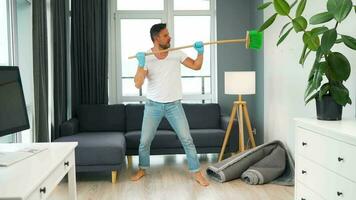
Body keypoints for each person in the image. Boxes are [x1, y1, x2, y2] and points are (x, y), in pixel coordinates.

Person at [130, 23, 209, 186]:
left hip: (174, 105)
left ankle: (196, 172)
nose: (169, 37)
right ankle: (142, 169)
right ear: (156, 38)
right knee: (145, 141)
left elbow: (196, 65)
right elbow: (138, 84)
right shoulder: (147, 57)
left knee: (187, 139)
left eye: (168, 34)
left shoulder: (176, 53)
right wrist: (140, 64)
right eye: (166, 35)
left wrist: (200, 53)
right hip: (153, 106)